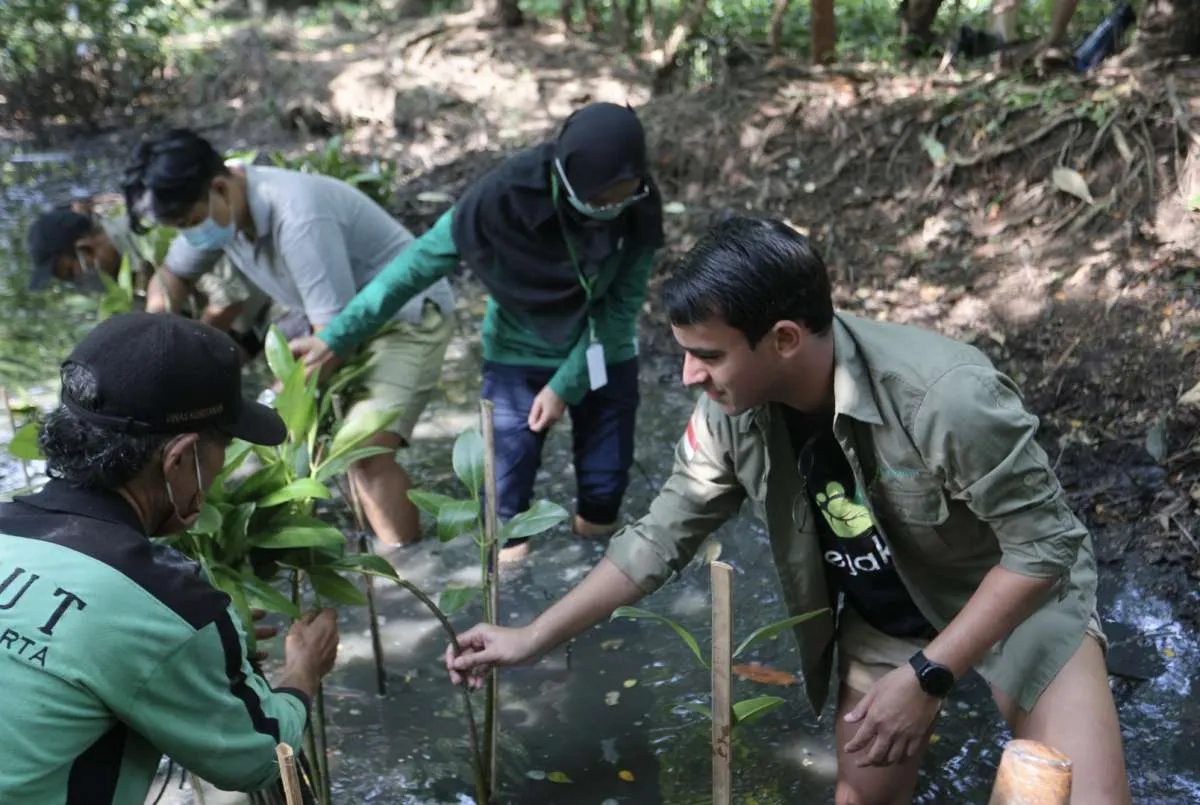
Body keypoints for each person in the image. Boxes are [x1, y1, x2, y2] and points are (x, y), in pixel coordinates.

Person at [443, 217, 1131, 804]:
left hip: (1014, 601)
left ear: (784, 339)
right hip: (886, 619)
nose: (687, 376)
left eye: (706, 355)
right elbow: (657, 539)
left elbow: (1044, 547)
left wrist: (929, 673)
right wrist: (531, 637)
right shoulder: (729, 412)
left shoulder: (947, 396)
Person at [292, 102, 664, 562]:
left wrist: (565, 385)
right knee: (505, 510)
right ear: (569, 179)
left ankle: (591, 575)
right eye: (601, 201)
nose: (613, 210)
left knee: (605, 485)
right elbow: (409, 272)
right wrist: (336, 338)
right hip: (519, 352)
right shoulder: (499, 201)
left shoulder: (640, 206)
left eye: (623, 198)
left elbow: (621, 310)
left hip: (601, 351)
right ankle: (515, 599)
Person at [0, 312, 340, 803]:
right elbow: (258, 758)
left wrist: (198, 655)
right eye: (222, 447)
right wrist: (303, 671)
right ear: (179, 458)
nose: (221, 470)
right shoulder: (167, 602)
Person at [121, 128, 457, 548]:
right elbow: (173, 276)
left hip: (402, 317)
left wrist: (276, 403)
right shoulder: (221, 210)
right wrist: (157, 332)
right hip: (335, 318)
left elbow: (332, 339)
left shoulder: (298, 218)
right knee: (301, 441)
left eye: (190, 223)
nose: (192, 234)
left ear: (219, 186)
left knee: (363, 453)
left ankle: (406, 568)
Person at [25, 199, 280, 361]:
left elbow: (228, 300)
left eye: (72, 272)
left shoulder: (151, 232)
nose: (79, 283)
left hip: (278, 302)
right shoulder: (120, 280)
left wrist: (186, 360)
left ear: (85, 249)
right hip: (245, 330)